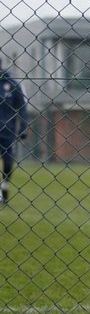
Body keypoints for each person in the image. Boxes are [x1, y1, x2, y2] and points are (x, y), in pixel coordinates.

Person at [0, 58, 29, 205]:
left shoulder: (11, 84)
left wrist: (24, 127)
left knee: (8, 161)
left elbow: (22, 107)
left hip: (7, 131)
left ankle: (4, 186)